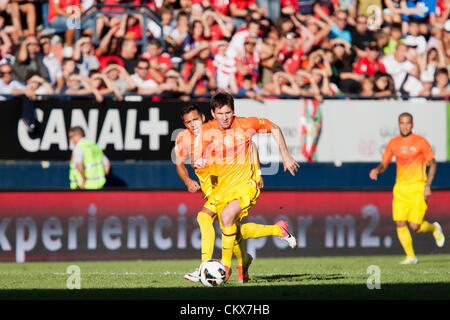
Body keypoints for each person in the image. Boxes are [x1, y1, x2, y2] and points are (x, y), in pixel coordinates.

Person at [175, 104, 296, 283]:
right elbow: (182, 163)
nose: (192, 124)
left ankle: (210, 267)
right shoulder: (184, 138)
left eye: (195, 120)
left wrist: (258, 171)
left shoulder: (214, 130)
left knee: (207, 218)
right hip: (214, 190)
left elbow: (250, 146)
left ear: (202, 118)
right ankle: (265, 241)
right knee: (234, 230)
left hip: (231, 186)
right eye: (188, 122)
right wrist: (188, 179)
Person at [369, 113, 445, 265]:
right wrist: (377, 170)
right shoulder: (393, 143)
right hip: (400, 188)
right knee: (399, 222)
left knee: (415, 226)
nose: (405, 126)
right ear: (398, 124)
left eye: (408, 123)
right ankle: (411, 257)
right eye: (402, 123)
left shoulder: (420, 142)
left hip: (418, 187)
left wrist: (428, 185)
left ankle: (434, 229)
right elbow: (385, 163)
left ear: (412, 124)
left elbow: (433, 164)